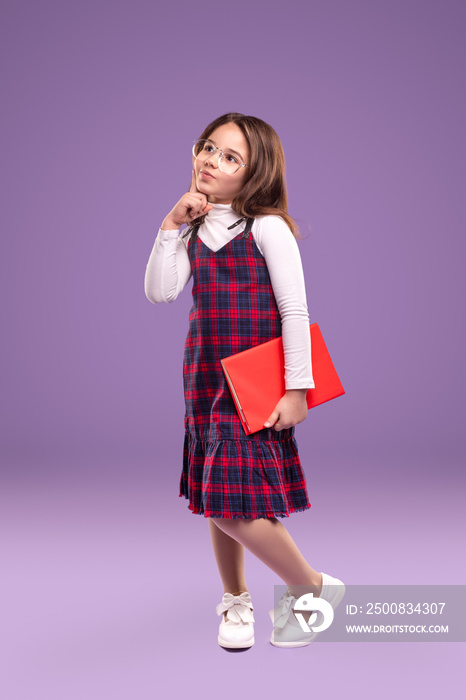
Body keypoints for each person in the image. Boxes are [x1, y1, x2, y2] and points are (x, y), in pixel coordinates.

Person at [144, 113, 345, 649]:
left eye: (230, 157)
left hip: (252, 385)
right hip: (204, 378)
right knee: (217, 495)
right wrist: (170, 224)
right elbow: (161, 292)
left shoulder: (266, 228)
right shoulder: (193, 226)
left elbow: (294, 310)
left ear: (255, 174)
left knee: (231, 501)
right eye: (208, 147)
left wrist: (297, 389)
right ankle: (235, 600)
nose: (212, 160)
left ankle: (312, 589)